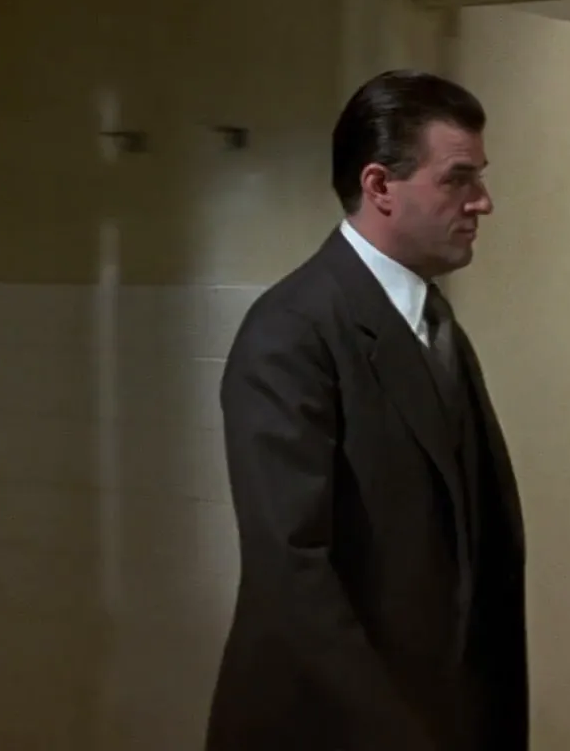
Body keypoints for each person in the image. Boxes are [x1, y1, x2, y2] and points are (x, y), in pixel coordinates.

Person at [205, 70, 527, 751]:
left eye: (479, 178)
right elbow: (292, 573)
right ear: (379, 185)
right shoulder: (292, 331)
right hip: (332, 726)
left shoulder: (432, 320)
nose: (483, 202)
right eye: (458, 179)